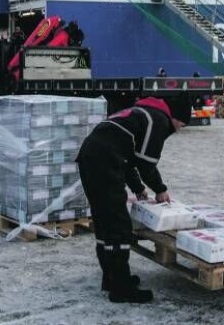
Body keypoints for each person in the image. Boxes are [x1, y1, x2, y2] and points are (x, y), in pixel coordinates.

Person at [75, 97, 192, 304]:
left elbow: (129, 158)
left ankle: (111, 279)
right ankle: (121, 289)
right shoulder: (157, 120)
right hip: (105, 161)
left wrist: (138, 189)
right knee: (119, 226)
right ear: (174, 116)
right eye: (181, 124)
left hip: (90, 156)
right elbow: (146, 164)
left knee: (105, 221)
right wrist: (160, 190)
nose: (180, 129)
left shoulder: (139, 113)